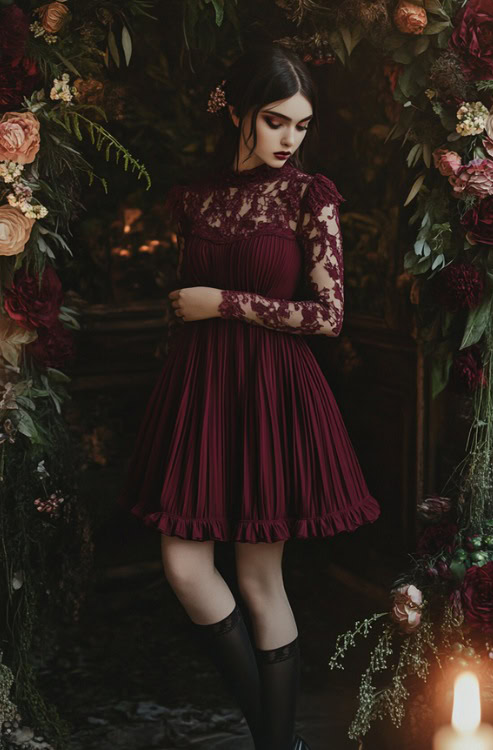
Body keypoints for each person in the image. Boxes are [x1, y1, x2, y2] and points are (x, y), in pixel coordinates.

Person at [117, 43, 381, 750]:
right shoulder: (193, 198)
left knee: (261, 576)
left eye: (301, 124)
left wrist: (221, 303)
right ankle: (277, 739)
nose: (289, 139)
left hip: (272, 392)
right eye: (275, 121)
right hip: (200, 389)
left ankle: (274, 744)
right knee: (184, 564)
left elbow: (328, 316)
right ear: (237, 111)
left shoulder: (308, 194)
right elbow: (183, 303)